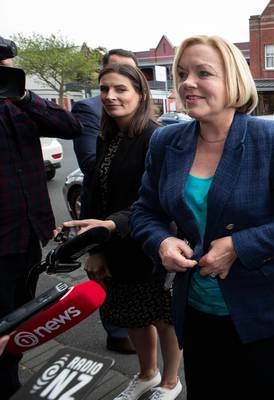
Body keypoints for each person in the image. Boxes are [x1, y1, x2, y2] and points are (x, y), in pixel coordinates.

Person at [130, 35, 274, 399]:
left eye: (203, 73)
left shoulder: (270, 138)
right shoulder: (165, 142)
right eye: (183, 73)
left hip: (266, 310)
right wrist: (161, 241)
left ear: (232, 80)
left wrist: (238, 245)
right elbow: (144, 211)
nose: (188, 82)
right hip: (197, 309)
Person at [63, 64, 182, 400]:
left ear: (141, 93)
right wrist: (95, 248)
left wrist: (110, 227)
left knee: (162, 318)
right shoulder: (107, 137)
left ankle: (171, 383)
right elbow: (94, 194)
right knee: (130, 314)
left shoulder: (156, 137)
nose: (111, 96)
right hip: (113, 245)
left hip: (150, 244)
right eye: (104, 90)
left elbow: (157, 200)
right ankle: (147, 374)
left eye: (120, 89)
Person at [0, 50, 82, 398]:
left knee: (22, 320)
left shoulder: (18, 104)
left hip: (29, 236)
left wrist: (23, 94)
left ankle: (9, 381)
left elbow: (70, 126)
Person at [71, 48, 138, 355]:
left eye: (126, 80)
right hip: (108, 214)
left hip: (137, 225)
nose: (113, 93)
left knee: (144, 307)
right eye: (106, 86)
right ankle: (116, 332)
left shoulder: (151, 131)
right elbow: (90, 165)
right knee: (108, 282)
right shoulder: (91, 115)